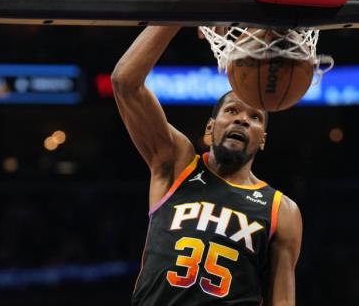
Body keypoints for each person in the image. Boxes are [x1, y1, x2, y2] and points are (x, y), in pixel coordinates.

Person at [111, 26, 302, 305]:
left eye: (255, 117)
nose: (242, 119)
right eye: (232, 110)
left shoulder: (281, 210)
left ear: (262, 140)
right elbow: (125, 82)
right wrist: (178, 17)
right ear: (210, 129)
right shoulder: (177, 164)